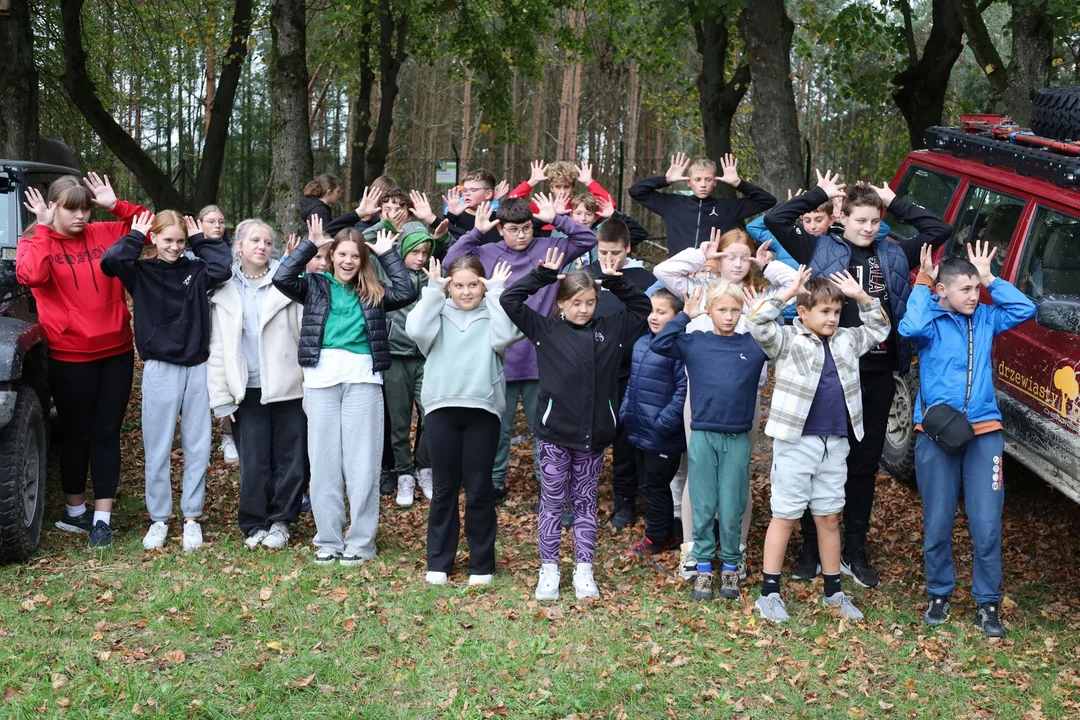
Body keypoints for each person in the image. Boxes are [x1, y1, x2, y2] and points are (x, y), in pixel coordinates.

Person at [764, 171, 952, 588]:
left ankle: (855, 548)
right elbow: (777, 219)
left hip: (877, 370)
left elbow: (940, 228)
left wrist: (894, 199)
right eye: (859, 220)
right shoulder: (819, 245)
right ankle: (812, 549)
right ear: (841, 217)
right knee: (819, 458)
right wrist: (821, 194)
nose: (866, 227)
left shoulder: (895, 252)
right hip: (827, 371)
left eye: (873, 220)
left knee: (863, 465)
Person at [899, 242, 1035, 638]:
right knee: (938, 522)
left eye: (977, 289)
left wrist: (992, 277)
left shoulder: (989, 317)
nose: (975, 297)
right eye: (966, 290)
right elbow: (909, 328)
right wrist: (924, 282)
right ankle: (939, 593)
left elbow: (1025, 309)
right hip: (937, 434)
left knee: (987, 524)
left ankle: (987, 603)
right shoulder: (932, 322)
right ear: (944, 291)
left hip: (984, 433)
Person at [501, 247, 651, 601]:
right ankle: (549, 570)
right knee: (553, 503)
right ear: (562, 303)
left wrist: (616, 280)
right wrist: (543, 276)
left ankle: (584, 569)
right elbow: (510, 300)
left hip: (594, 436)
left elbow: (642, 308)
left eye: (590, 302)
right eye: (576, 302)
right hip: (554, 435)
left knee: (584, 503)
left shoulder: (611, 330)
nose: (583, 309)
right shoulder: (546, 329)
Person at [744, 267, 890, 622]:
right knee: (786, 515)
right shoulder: (788, 341)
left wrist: (862, 298)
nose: (832, 318)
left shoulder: (846, 339)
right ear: (804, 312)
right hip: (796, 443)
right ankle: (770, 593)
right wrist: (787, 294)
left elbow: (880, 328)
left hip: (835, 444)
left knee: (828, 516)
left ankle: (834, 591)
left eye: (837, 311)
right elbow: (757, 325)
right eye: (825, 311)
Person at [654, 228, 796, 580]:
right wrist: (701, 257)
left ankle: (737, 550)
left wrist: (769, 265)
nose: (736, 262)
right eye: (728, 255)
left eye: (743, 256)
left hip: (745, 400)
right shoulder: (700, 290)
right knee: (697, 475)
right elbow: (663, 272)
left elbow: (797, 286)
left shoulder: (760, 294)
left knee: (738, 477)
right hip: (701, 399)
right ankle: (692, 549)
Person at [272, 222, 416, 565]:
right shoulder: (315, 286)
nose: (349, 261)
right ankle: (329, 539)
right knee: (323, 464)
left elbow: (407, 290)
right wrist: (310, 245)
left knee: (363, 464)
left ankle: (361, 542)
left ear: (363, 259)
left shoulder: (374, 291)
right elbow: (281, 279)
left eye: (355, 255)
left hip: (363, 380)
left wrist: (388, 253)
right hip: (320, 381)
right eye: (343, 254)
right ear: (332, 256)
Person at [18, 174, 146, 548]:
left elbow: (154, 229)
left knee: (107, 434)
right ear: (53, 207)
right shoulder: (34, 242)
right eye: (72, 209)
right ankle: (74, 513)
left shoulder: (104, 232)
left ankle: (102, 519)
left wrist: (115, 205)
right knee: (76, 435)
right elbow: (32, 275)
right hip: (69, 354)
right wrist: (42, 229)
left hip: (117, 351)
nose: (81, 217)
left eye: (86, 208)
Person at [442, 195, 597, 501]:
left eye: (526, 228)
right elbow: (449, 262)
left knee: (546, 428)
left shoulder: (547, 248)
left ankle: (549, 486)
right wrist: (476, 230)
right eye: (513, 229)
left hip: (543, 358)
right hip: (501, 356)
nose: (521, 235)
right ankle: (495, 483)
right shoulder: (487, 253)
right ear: (502, 230)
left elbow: (587, 238)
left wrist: (558, 218)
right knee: (498, 425)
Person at [101, 210, 232, 552]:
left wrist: (200, 239)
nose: (175, 247)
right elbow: (112, 260)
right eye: (168, 240)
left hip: (196, 366)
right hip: (160, 367)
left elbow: (223, 267)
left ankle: (192, 517)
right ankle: (159, 518)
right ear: (154, 239)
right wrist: (135, 236)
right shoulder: (140, 271)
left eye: (180, 241)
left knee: (197, 445)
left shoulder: (197, 269)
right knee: (157, 446)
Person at [405, 256, 523, 585]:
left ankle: (481, 564)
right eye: (458, 285)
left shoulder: (492, 312)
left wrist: (497, 294)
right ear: (449, 286)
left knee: (479, 490)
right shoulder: (437, 311)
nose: (466, 291)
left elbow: (506, 336)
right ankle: (439, 562)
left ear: (483, 285)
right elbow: (415, 329)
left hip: (482, 411)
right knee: (444, 489)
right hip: (442, 409)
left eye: (473, 284)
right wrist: (432, 291)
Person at [651, 281, 768, 601]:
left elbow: (781, 341)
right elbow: (659, 344)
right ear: (710, 310)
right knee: (703, 503)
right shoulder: (695, 341)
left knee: (732, 503)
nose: (729, 316)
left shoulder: (753, 344)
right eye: (722, 309)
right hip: (702, 434)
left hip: (737, 436)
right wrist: (684, 316)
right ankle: (703, 568)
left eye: (734, 309)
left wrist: (762, 314)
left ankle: (731, 565)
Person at [208, 218, 306, 550]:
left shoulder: (287, 281)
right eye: (254, 240)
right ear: (238, 246)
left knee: (290, 458)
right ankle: (253, 522)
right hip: (246, 388)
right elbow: (218, 347)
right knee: (253, 461)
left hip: (288, 383)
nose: (261, 247)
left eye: (267, 241)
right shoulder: (223, 287)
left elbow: (304, 332)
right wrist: (222, 399)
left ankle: (281, 521)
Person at [582, 219, 657, 530]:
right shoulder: (586, 276)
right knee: (587, 437)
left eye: (615, 253)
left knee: (625, 439)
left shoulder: (645, 279)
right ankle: (580, 498)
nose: (608, 260)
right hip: (592, 371)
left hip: (630, 372)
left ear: (628, 248)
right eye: (603, 253)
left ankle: (624, 500)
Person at [384, 219, 452, 507]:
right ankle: (404, 474)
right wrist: (386, 223)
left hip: (428, 357)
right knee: (399, 422)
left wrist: (441, 239)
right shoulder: (386, 272)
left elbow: (453, 253)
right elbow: (367, 241)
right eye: (415, 252)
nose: (420, 258)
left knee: (431, 417)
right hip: (395, 359)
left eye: (425, 252)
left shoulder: (435, 275)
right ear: (402, 251)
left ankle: (425, 467)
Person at [620, 287, 687, 557]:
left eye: (661, 312)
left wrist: (664, 422)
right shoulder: (641, 342)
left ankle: (655, 539)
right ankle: (666, 534)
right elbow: (633, 382)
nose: (653, 317)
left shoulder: (680, 347)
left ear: (678, 316)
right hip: (638, 428)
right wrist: (626, 411)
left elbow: (683, 391)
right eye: (651, 311)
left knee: (656, 485)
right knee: (648, 484)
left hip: (662, 433)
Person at [629, 152, 776, 256]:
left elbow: (767, 200)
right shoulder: (672, 204)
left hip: (712, 272)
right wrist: (665, 179)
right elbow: (636, 191)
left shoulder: (727, 208)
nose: (703, 184)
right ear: (688, 182)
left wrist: (738, 183)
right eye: (697, 179)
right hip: (677, 272)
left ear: (715, 182)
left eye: (708, 179)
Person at [197, 204, 240, 466]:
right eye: (211, 221)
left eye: (221, 222)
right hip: (199, 325)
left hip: (225, 323)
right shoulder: (190, 253)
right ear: (199, 223)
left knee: (227, 379)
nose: (217, 226)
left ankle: (229, 435)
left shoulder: (233, 251)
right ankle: (201, 440)